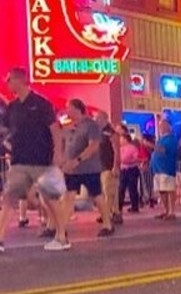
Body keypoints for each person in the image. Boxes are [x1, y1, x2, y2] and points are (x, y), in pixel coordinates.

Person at [0, 67, 64, 253]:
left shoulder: (41, 104)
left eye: (9, 80)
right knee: (9, 199)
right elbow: (6, 130)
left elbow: (55, 129)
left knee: (51, 199)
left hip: (42, 160)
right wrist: (8, 144)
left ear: (19, 80)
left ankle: (61, 236)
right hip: (19, 161)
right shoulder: (12, 107)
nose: (7, 83)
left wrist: (58, 153)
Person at [60, 98, 113, 240]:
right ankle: (61, 228)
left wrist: (78, 160)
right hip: (72, 169)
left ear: (77, 109)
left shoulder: (91, 125)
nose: (67, 111)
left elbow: (93, 146)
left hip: (89, 168)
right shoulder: (71, 127)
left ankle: (107, 224)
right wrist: (64, 162)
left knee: (97, 196)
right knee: (69, 197)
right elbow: (65, 146)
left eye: (69, 108)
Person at [150, 118, 179, 219]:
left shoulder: (171, 139)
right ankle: (165, 210)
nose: (160, 128)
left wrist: (149, 145)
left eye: (163, 125)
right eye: (160, 126)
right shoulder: (161, 139)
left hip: (167, 169)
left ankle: (172, 211)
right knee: (161, 190)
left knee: (169, 189)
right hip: (157, 169)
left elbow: (164, 150)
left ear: (169, 127)